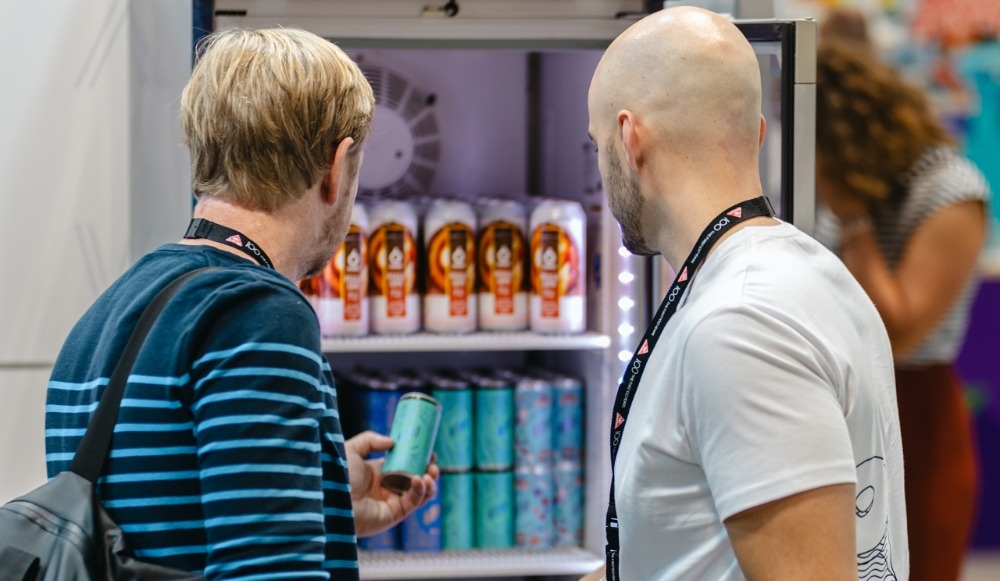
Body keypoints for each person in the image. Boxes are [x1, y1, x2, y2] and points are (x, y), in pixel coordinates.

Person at [44, 28, 437, 578]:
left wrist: (321, 495)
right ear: (337, 165)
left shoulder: (109, 311)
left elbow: (154, 527)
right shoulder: (259, 312)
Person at [583, 7, 908, 579]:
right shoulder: (809, 274)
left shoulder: (740, 320)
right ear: (756, 134)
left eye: (597, 145)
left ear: (630, 140)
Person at [814, 39, 990, 581]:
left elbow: (899, 333)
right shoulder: (841, 182)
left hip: (916, 415)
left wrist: (854, 219)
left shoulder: (951, 191)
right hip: (835, 409)